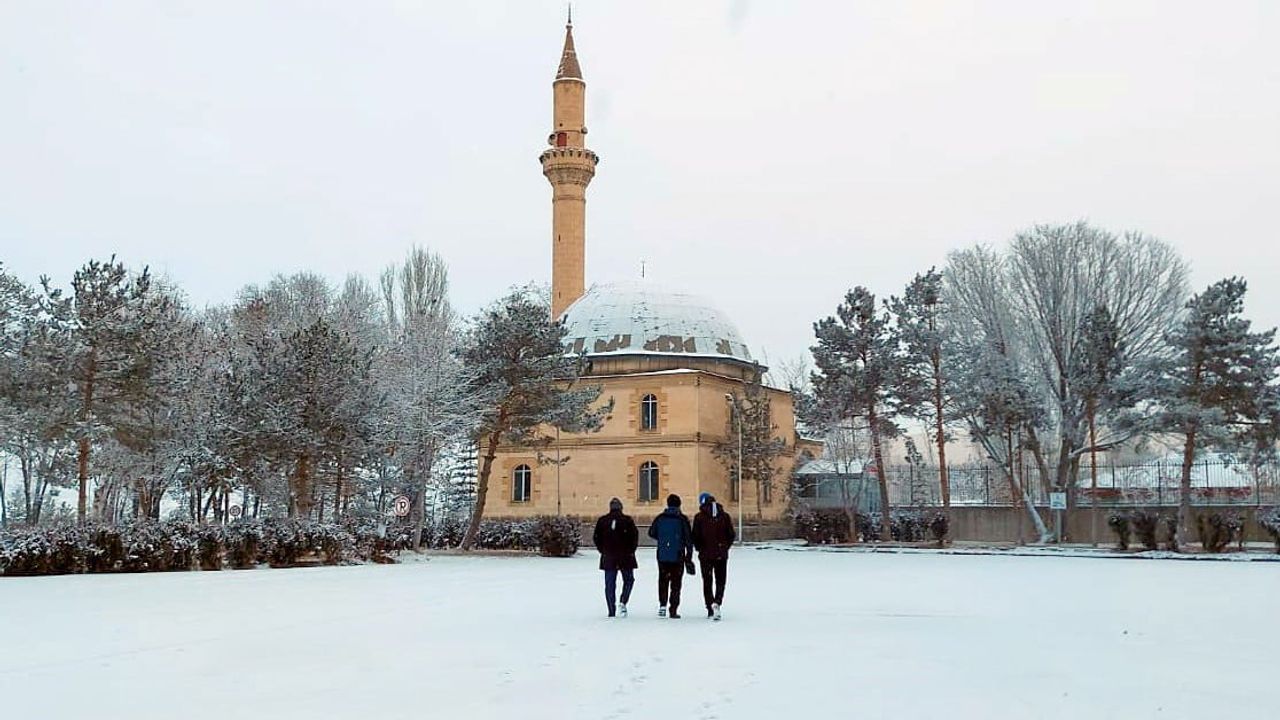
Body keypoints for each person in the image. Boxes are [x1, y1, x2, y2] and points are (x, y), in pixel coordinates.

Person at [647, 493, 693, 619]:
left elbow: (651, 532)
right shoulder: (682, 519)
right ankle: (673, 609)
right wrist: (688, 556)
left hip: (662, 555)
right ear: (679, 505)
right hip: (677, 555)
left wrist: (662, 539)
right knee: (676, 583)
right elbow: (689, 539)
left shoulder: (660, 518)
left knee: (663, 580)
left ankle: (662, 605)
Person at [692, 492, 736, 621]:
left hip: (705, 555)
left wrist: (700, 548)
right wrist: (724, 547)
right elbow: (731, 534)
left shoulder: (699, 517)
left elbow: (695, 536)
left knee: (707, 581)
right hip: (721, 554)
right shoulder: (725, 516)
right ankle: (717, 601)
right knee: (720, 580)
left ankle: (710, 607)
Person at [593, 498, 638, 618]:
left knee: (610, 584)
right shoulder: (627, 521)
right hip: (625, 556)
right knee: (629, 580)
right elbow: (634, 537)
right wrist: (630, 551)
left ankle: (611, 609)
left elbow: (596, 537)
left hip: (609, 556)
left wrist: (603, 550)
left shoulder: (603, 521)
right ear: (621, 508)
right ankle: (623, 600)